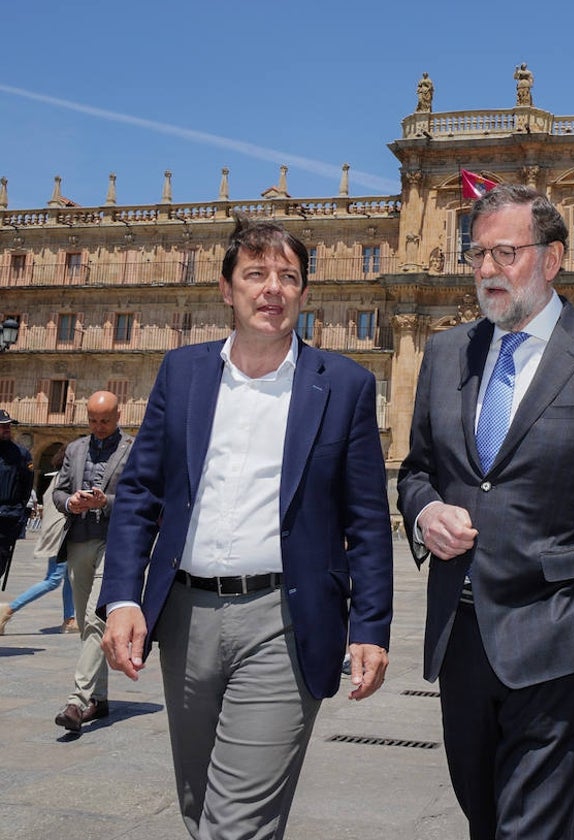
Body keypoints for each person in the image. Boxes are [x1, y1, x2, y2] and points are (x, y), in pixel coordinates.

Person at [100, 218, 394, 838]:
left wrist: (370, 626)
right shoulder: (182, 373)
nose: (273, 289)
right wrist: (124, 594)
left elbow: (366, 520)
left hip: (283, 619)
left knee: (235, 823)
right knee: (199, 804)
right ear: (226, 289)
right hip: (183, 617)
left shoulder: (344, 385)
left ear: (305, 294)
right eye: (256, 274)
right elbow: (140, 494)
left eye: (289, 277)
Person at [396, 183, 574, 840]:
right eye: (477, 255)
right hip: (460, 633)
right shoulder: (443, 354)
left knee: (534, 830)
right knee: (482, 813)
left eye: (505, 253)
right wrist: (424, 510)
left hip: (558, 633)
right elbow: (416, 471)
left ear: (551, 260)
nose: (487, 270)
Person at [51, 390, 133, 732]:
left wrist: (104, 502)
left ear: (118, 417)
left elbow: (139, 496)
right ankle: (100, 699)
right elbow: (58, 491)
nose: (98, 427)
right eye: (93, 420)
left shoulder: (133, 449)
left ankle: (77, 700)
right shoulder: (75, 449)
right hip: (79, 541)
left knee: (95, 618)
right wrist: (71, 501)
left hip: (114, 542)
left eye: (105, 421)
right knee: (87, 627)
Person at [0, 449, 76, 635]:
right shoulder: (67, 481)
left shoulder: (57, 479)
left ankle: (69, 619)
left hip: (59, 535)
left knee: (68, 578)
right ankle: (8, 609)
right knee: (53, 579)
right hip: (60, 537)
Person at [0, 409, 34, 591]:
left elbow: (26, 486)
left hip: (7, 518)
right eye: (2, 426)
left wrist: (20, 512)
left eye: (8, 425)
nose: (7, 429)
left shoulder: (21, 455)